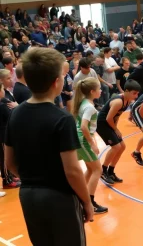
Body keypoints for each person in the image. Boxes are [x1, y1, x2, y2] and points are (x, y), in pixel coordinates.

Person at [5, 48, 93, 246]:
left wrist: (34, 180)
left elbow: (9, 163)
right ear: (57, 82)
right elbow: (72, 171)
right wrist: (87, 201)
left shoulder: (15, 114)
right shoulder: (63, 119)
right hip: (59, 197)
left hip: (28, 196)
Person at [72, 77, 108, 214]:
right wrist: (93, 144)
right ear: (92, 91)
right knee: (97, 170)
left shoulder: (84, 102)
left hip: (80, 139)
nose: (100, 91)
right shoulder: (89, 107)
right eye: (99, 89)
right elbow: (83, 127)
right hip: (83, 140)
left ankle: (80, 196)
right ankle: (90, 202)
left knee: (90, 169)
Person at [97, 80, 141, 184]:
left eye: (137, 93)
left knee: (122, 146)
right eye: (134, 93)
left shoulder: (127, 101)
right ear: (126, 91)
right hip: (102, 124)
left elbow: (117, 116)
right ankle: (103, 171)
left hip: (110, 123)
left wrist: (115, 128)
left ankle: (111, 171)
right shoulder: (118, 101)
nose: (136, 95)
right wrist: (115, 129)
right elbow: (108, 118)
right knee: (116, 147)